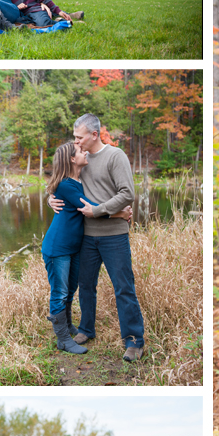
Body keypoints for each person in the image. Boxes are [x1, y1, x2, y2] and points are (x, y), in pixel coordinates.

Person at [48, 114, 145, 363]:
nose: (76, 142)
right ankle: (86, 330)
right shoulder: (79, 160)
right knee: (86, 287)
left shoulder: (115, 156)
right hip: (86, 236)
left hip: (114, 236)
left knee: (124, 287)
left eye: (79, 137)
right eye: (74, 138)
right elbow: (61, 182)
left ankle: (134, 340)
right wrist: (49, 198)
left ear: (94, 134)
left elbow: (127, 193)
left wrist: (101, 210)